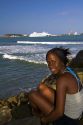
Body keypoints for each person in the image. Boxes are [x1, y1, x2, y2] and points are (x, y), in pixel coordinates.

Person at [28, 47, 83, 125]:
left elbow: (59, 113)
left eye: (53, 61)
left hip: (69, 120)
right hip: (76, 112)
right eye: (48, 62)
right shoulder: (69, 70)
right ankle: (41, 112)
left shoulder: (63, 80)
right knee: (41, 87)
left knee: (32, 94)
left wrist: (44, 120)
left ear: (62, 61)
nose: (50, 65)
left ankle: (39, 115)